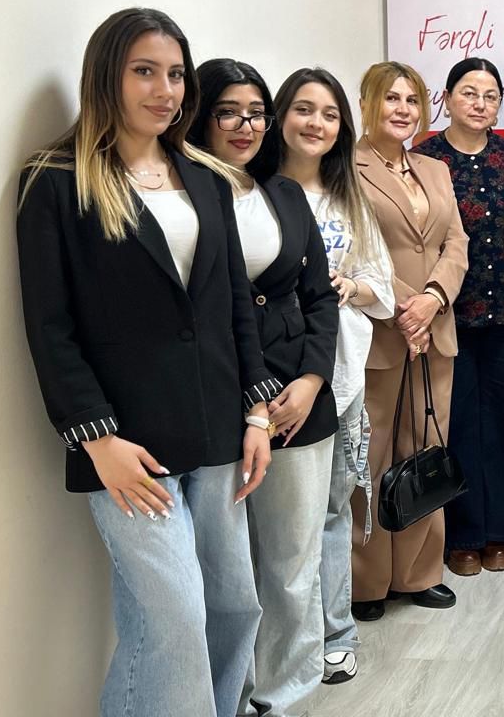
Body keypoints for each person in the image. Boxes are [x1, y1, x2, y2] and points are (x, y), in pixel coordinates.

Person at [16, 8, 277, 717]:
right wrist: (96, 439)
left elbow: (233, 304)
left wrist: (257, 412)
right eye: (144, 72)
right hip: (129, 445)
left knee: (234, 606)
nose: (165, 90)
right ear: (107, 75)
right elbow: (49, 327)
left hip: (220, 430)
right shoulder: (56, 180)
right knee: (174, 621)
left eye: (175, 74)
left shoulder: (206, 178)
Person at [188, 60, 339, 716]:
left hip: (299, 398)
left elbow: (320, 298)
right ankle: (230, 693)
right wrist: (256, 396)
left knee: (292, 561)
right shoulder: (186, 194)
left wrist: (310, 380)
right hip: (220, 396)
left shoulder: (284, 193)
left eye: (256, 112)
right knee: (227, 571)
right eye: (228, 111)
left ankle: (284, 694)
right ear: (201, 117)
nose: (245, 125)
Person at [270, 67, 395, 686]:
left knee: (330, 510)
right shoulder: (256, 193)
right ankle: (283, 649)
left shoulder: (349, 198)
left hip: (340, 379)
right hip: (274, 379)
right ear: (280, 116)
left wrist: (349, 286)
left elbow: (385, 292)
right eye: (303, 109)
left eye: (329, 113)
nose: (315, 123)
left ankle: (336, 635)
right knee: (280, 525)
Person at [350, 61, 468, 619]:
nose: (402, 109)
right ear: (367, 104)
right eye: (391, 98)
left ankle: (418, 573)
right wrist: (405, 305)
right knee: (370, 456)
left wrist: (434, 299)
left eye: (412, 100)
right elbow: (354, 247)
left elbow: (455, 242)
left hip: (434, 331)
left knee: (424, 449)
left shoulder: (434, 169)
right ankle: (367, 582)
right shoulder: (345, 168)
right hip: (378, 329)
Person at [414, 57, 504, 576]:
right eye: (469, 92)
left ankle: (500, 532)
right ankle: (461, 535)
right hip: (445, 317)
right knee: (454, 423)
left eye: (490, 96)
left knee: (503, 422)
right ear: (446, 98)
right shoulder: (424, 159)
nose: (479, 104)